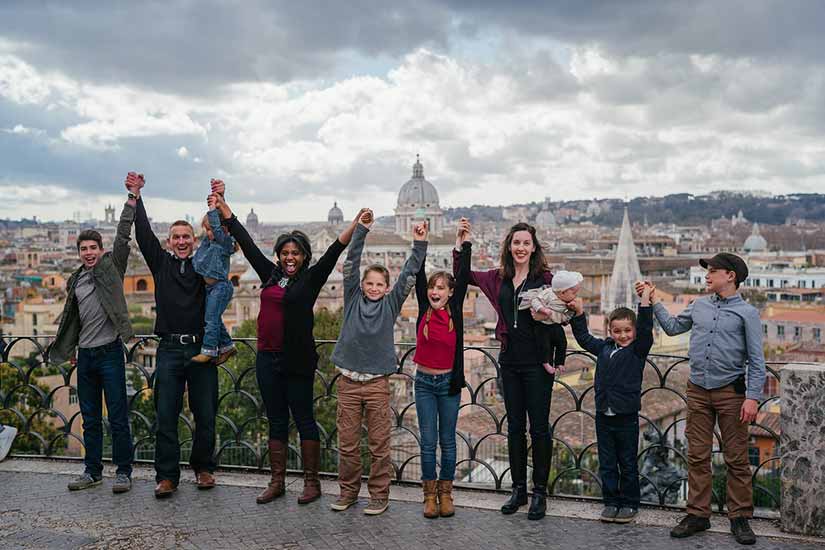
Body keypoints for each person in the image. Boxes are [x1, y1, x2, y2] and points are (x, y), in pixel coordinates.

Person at [214, 191, 368, 506]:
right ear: (279, 255)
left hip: (297, 360)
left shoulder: (311, 280)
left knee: (304, 418)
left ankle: (312, 484)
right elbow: (247, 243)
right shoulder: (268, 275)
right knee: (276, 420)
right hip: (267, 359)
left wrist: (356, 224)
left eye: (295, 253)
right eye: (285, 252)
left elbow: (335, 250)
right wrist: (226, 212)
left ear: (304, 256)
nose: (289, 257)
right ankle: (277, 482)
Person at [638, 252, 766, 546]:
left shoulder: (747, 313)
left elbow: (757, 361)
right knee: (697, 455)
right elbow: (671, 327)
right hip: (697, 390)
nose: (707, 276)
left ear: (730, 276)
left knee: (736, 458)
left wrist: (753, 398)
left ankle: (740, 517)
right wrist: (654, 299)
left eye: (713, 271)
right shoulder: (698, 306)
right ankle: (698, 514)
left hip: (731, 393)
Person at [455, 219, 556, 520]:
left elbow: (565, 309)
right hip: (509, 360)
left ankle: (540, 492)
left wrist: (557, 314)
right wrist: (462, 245)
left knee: (538, 428)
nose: (521, 247)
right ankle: (519, 489)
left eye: (526, 243)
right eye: (516, 243)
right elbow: (462, 277)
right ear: (509, 247)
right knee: (514, 427)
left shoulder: (546, 279)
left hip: (539, 362)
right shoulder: (497, 278)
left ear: (533, 247)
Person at [126, 172, 218, 498]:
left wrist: (217, 204)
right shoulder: (160, 264)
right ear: (169, 242)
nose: (181, 241)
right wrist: (136, 195)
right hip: (167, 349)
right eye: (176, 237)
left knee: (206, 413)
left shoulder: (203, 266)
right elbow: (143, 233)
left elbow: (220, 239)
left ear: (194, 241)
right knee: (165, 414)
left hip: (200, 348)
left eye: (186, 237)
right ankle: (167, 476)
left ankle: (203, 467)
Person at [329, 212, 428, 516]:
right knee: (346, 445)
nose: (373, 288)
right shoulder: (352, 297)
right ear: (362, 285)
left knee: (379, 445)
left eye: (379, 284)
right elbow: (350, 263)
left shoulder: (391, 303)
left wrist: (420, 243)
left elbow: (409, 275)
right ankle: (347, 493)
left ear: (387, 288)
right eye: (369, 283)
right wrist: (361, 230)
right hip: (347, 383)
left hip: (376, 385)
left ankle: (379, 496)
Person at [49, 185, 137, 494]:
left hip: (111, 353)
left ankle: (124, 473)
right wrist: (70, 349)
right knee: (90, 419)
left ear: (100, 250)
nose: (88, 253)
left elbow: (123, 235)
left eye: (93, 248)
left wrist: (132, 199)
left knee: (117, 417)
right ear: (79, 252)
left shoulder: (112, 268)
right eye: (83, 249)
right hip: (85, 356)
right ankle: (93, 472)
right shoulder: (75, 279)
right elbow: (73, 319)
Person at [568, 286, 653, 524]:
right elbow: (584, 338)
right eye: (617, 331)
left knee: (627, 462)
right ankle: (611, 502)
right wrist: (579, 313)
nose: (623, 335)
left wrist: (645, 301)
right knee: (607, 462)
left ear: (634, 331)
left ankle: (629, 503)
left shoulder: (638, 350)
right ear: (610, 331)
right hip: (603, 415)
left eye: (627, 330)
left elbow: (647, 330)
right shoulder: (604, 348)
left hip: (626, 416)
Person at [412, 221, 471, 518]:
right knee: (427, 442)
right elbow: (419, 277)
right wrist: (420, 242)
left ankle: (446, 494)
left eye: (441, 288)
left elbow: (462, 274)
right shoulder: (424, 305)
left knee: (447, 441)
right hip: (422, 383)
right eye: (433, 288)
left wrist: (462, 243)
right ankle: (428, 496)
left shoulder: (456, 312)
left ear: (451, 293)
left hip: (449, 384)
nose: (435, 291)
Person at [191, 192, 237, 365]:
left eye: (211, 229)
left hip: (220, 287)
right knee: (213, 318)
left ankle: (209, 350)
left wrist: (213, 209)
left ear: (224, 230)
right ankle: (227, 346)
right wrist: (219, 201)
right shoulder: (209, 243)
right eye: (206, 230)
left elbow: (218, 227)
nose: (209, 233)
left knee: (211, 319)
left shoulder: (224, 243)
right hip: (211, 288)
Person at [518, 270, 583, 374]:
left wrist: (571, 311)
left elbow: (568, 316)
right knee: (544, 345)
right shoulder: (549, 293)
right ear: (562, 292)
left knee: (562, 343)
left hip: (555, 325)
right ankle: (545, 362)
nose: (575, 295)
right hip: (542, 326)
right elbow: (535, 301)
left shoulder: (569, 301)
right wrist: (542, 310)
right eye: (574, 293)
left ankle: (559, 363)